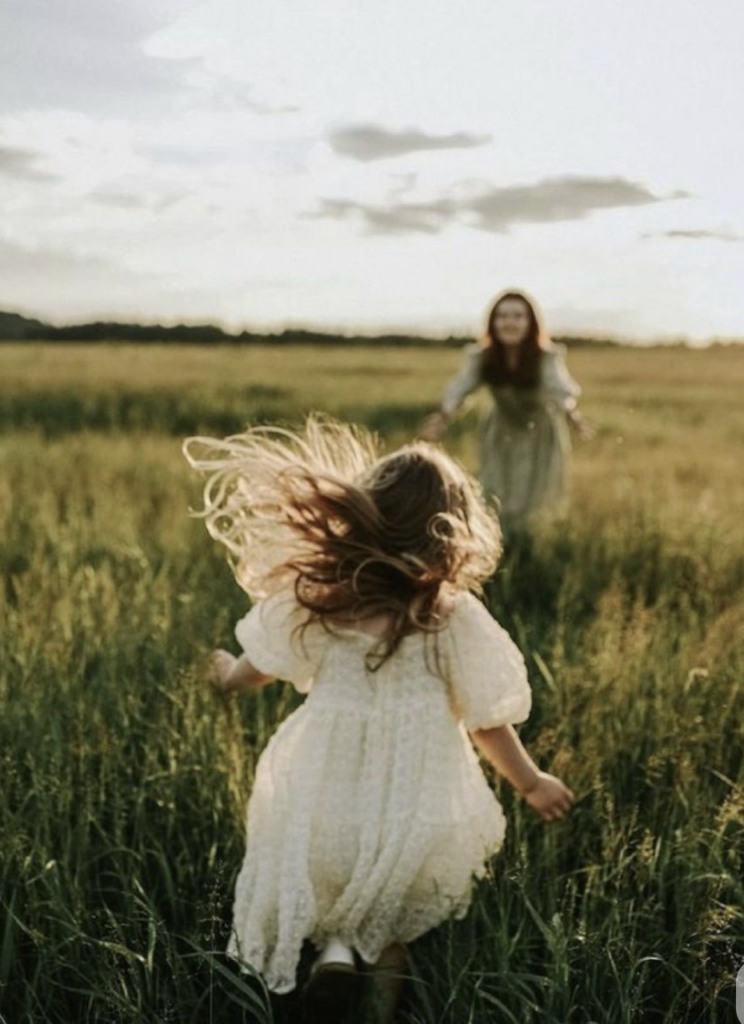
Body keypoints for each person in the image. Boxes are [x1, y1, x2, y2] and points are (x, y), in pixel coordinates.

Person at [183, 413, 575, 1023]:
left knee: (337, 880)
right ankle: (379, 1006)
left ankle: (334, 956)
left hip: (327, 774)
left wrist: (225, 673)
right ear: (449, 528)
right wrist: (530, 781)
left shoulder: (325, 596)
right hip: (412, 789)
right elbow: (485, 718)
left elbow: (259, 666)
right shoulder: (445, 612)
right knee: (391, 906)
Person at [422, 289, 593, 545]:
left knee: (534, 493)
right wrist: (443, 416)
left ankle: (528, 545)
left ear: (531, 322)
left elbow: (559, 390)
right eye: (502, 316)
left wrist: (573, 416)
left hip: (539, 432)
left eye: (517, 316)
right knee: (495, 488)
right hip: (500, 431)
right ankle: (496, 543)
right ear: (492, 322)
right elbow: (460, 388)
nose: (509, 322)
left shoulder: (545, 357)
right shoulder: (482, 357)